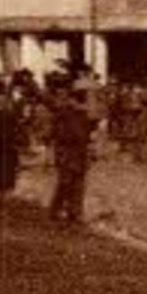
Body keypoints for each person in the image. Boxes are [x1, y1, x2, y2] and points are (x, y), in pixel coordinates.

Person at [49, 87, 96, 223]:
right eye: (79, 101)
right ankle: (55, 209)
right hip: (67, 153)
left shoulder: (85, 116)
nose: (82, 104)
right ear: (71, 101)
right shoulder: (63, 115)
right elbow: (58, 135)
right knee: (65, 183)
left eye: (83, 101)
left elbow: (89, 135)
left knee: (79, 184)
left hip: (80, 153)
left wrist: (90, 150)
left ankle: (75, 212)